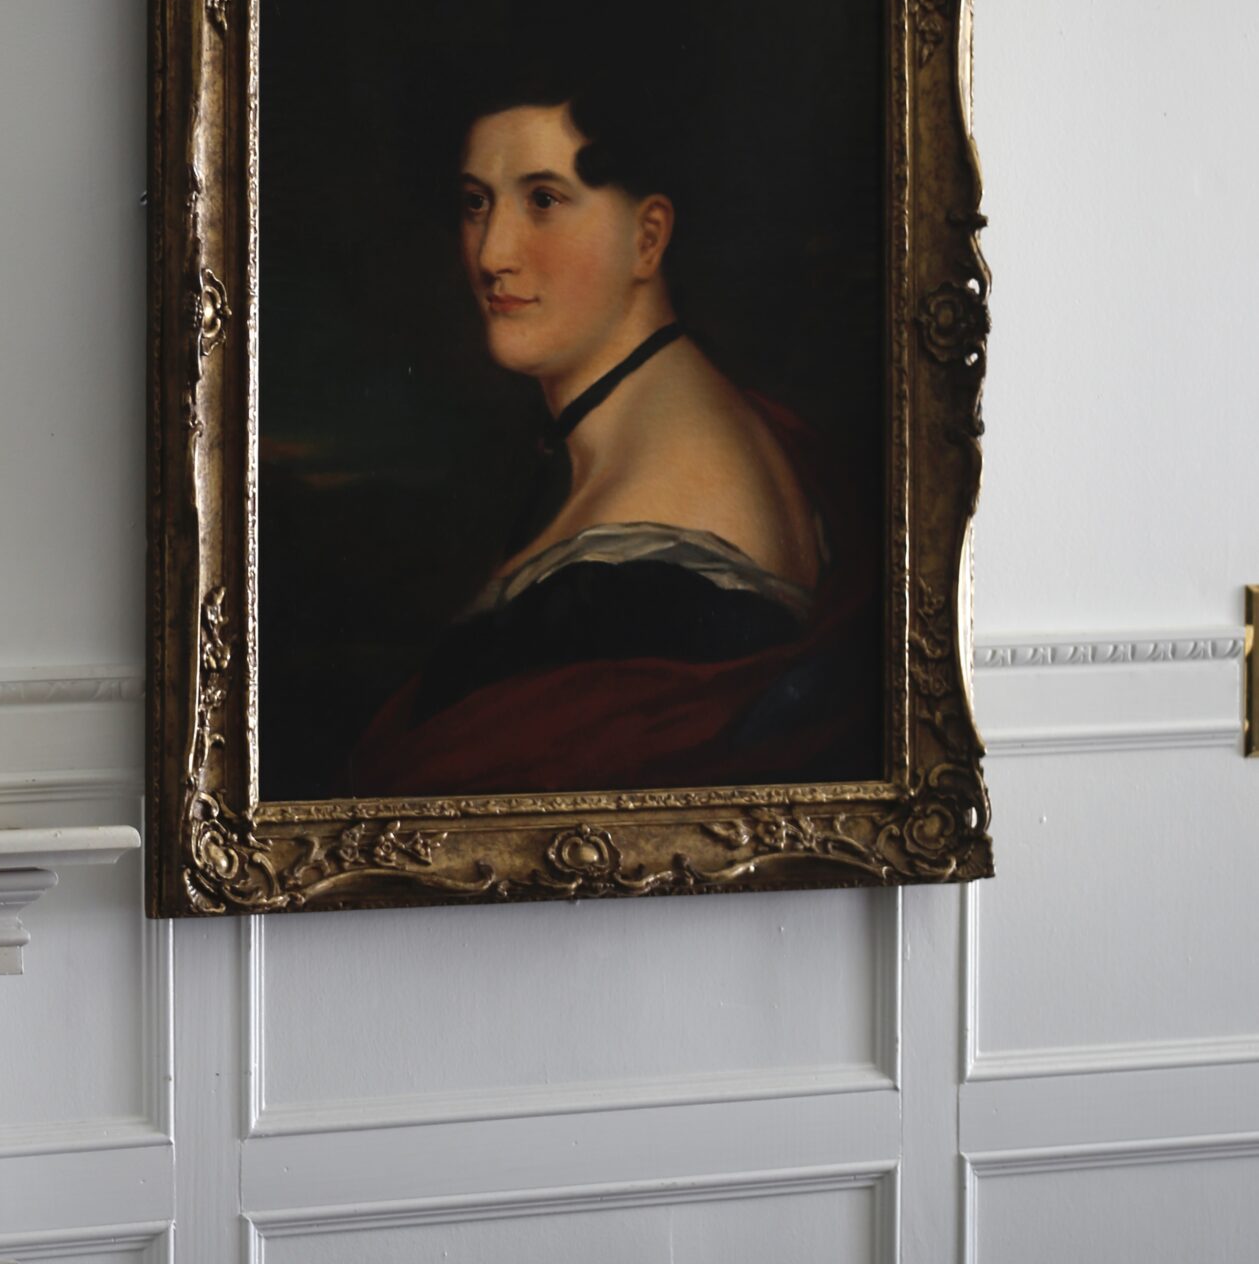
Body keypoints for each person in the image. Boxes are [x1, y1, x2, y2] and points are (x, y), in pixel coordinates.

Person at [338, 60, 878, 797]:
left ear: (648, 237)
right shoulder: (679, 420)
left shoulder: (639, 587)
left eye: (543, 200)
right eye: (476, 203)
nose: (492, 254)